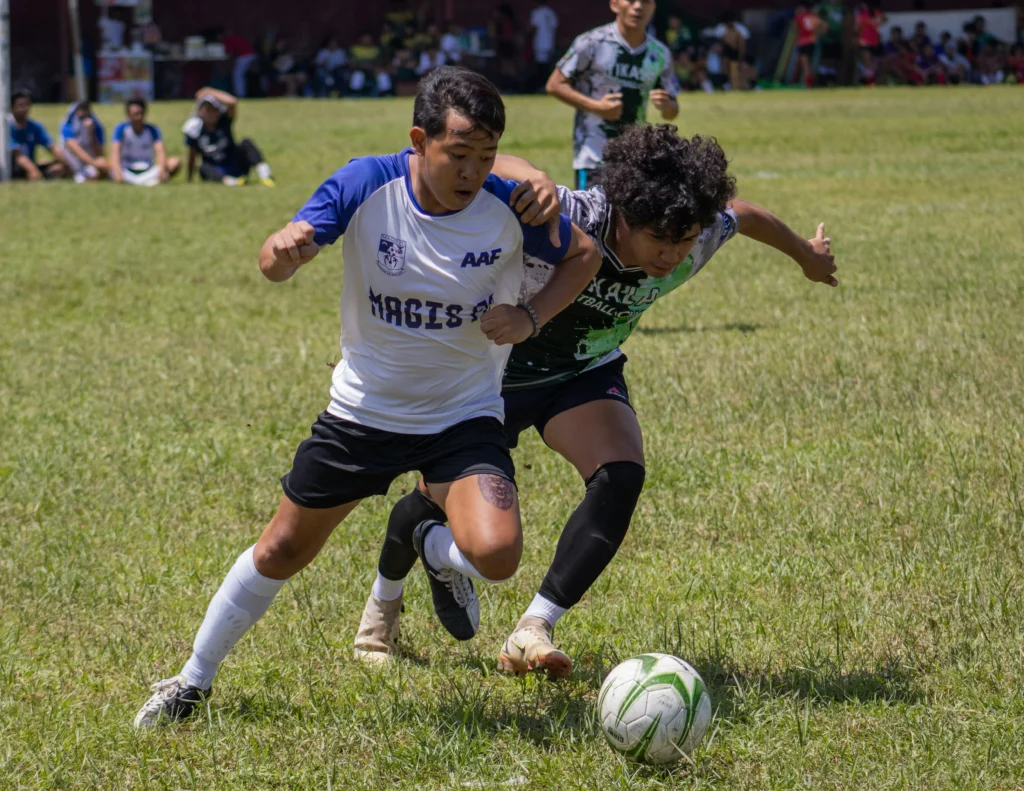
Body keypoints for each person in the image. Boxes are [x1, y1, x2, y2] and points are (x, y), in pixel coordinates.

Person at [133, 66, 600, 727]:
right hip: (363, 414)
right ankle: (192, 680)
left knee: (498, 555)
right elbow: (273, 260)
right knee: (281, 550)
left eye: (487, 155)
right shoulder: (365, 184)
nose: (473, 172)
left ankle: (427, 540)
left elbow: (582, 256)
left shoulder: (510, 205)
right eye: (459, 154)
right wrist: (284, 253)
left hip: (462, 415)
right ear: (419, 140)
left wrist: (531, 317)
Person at [354, 123, 839, 673]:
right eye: (659, 239)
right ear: (624, 214)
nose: (672, 255)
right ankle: (382, 609)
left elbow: (743, 214)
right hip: (490, 379)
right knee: (433, 503)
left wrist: (805, 255)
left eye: (684, 240)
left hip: (582, 373)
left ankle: (534, 627)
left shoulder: (695, 232)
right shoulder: (576, 215)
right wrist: (532, 174)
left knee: (620, 474)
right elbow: (492, 169)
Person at [547, 0, 679, 190]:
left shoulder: (659, 54)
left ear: (653, 8)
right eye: (631, 1)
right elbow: (554, 85)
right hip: (593, 155)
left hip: (635, 157)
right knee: (592, 210)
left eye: (646, 1)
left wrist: (666, 105)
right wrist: (597, 107)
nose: (638, 7)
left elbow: (672, 112)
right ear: (615, 4)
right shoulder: (592, 42)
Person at [182, 87, 275, 187]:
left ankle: (265, 175)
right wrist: (189, 179)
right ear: (199, 112)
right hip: (216, 170)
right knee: (203, 168)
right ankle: (230, 182)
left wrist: (208, 91)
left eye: (213, 110)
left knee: (246, 143)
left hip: (235, 164)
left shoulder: (224, 122)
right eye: (206, 110)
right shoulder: (195, 129)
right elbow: (192, 155)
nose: (210, 114)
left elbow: (232, 102)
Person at [110, 99, 180, 186]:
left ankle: (153, 179)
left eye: (141, 114)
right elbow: (115, 152)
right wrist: (118, 172)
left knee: (174, 162)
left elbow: (160, 151)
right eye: (135, 114)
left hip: (147, 170)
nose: (139, 117)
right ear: (128, 114)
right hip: (126, 170)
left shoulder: (152, 130)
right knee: (105, 164)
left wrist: (162, 170)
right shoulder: (121, 129)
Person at [7, 88, 67, 180]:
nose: (25, 108)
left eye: (27, 104)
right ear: (12, 107)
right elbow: (18, 155)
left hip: (31, 164)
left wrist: (65, 163)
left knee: (59, 169)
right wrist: (33, 170)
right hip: (14, 167)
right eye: (21, 105)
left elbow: (51, 146)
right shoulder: (6, 127)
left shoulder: (34, 126)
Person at [59, 101, 109, 182]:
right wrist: (94, 163)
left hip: (90, 158)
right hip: (73, 159)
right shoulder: (68, 126)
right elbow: (74, 148)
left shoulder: (96, 126)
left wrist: (92, 133)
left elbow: (99, 152)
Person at [793, 4, 828, 88]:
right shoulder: (813, 17)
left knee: (805, 64)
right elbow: (825, 26)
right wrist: (817, 33)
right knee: (809, 63)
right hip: (812, 42)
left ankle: (808, 84)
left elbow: (796, 29)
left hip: (803, 42)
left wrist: (797, 39)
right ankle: (810, 82)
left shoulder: (800, 17)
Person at [530, 0, 560, 93]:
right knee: (548, 65)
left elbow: (534, 27)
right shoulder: (551, 12)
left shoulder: (536, 12)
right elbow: (555, 27)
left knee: (541, 65)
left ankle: (543, 85)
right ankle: (548, 85)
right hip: (550, 42)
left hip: (540, 42)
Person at [856, 2, 886, 84]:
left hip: (873, 42)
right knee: (868, 63)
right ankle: (869, 82)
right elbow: (857, 27)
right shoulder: (863, 14)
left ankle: (873, 81)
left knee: (874, 63)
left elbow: (885, 19)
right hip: (865, 42)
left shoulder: (875, 13)